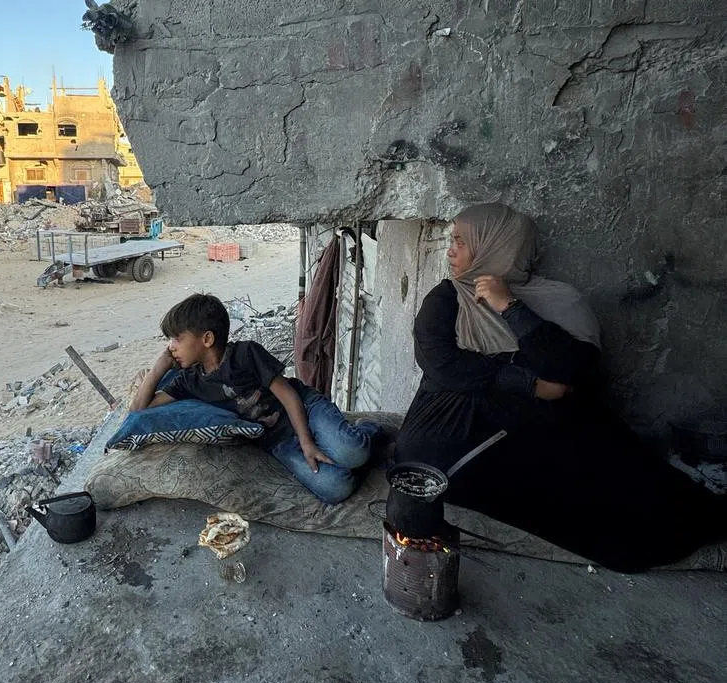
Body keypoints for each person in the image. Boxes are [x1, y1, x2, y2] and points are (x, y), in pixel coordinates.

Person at [395, 202, 726, 572]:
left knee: (621, 463)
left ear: (500, 245)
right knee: (581, 498)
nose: (450, 251)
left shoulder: (556, 300)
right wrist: (531, 383)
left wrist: (511, 307)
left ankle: (696, 516)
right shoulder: (446, 299)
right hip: (461, 435)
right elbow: (442, 365)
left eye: (460, 241)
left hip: (536, 420)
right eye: (451, 241)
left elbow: (571, 369)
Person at [131, 293, 378, 504]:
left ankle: (369, 432)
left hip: (306, 409)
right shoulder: (190, 380)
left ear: (207, 339)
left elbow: (289, 395)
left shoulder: (245, 354)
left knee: (353, 451)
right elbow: (139, 410)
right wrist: (158, 368)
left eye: (177, 338)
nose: (170, 347)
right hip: (278, 440)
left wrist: (307, 443)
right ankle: (345, 450)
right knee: (336, 489)